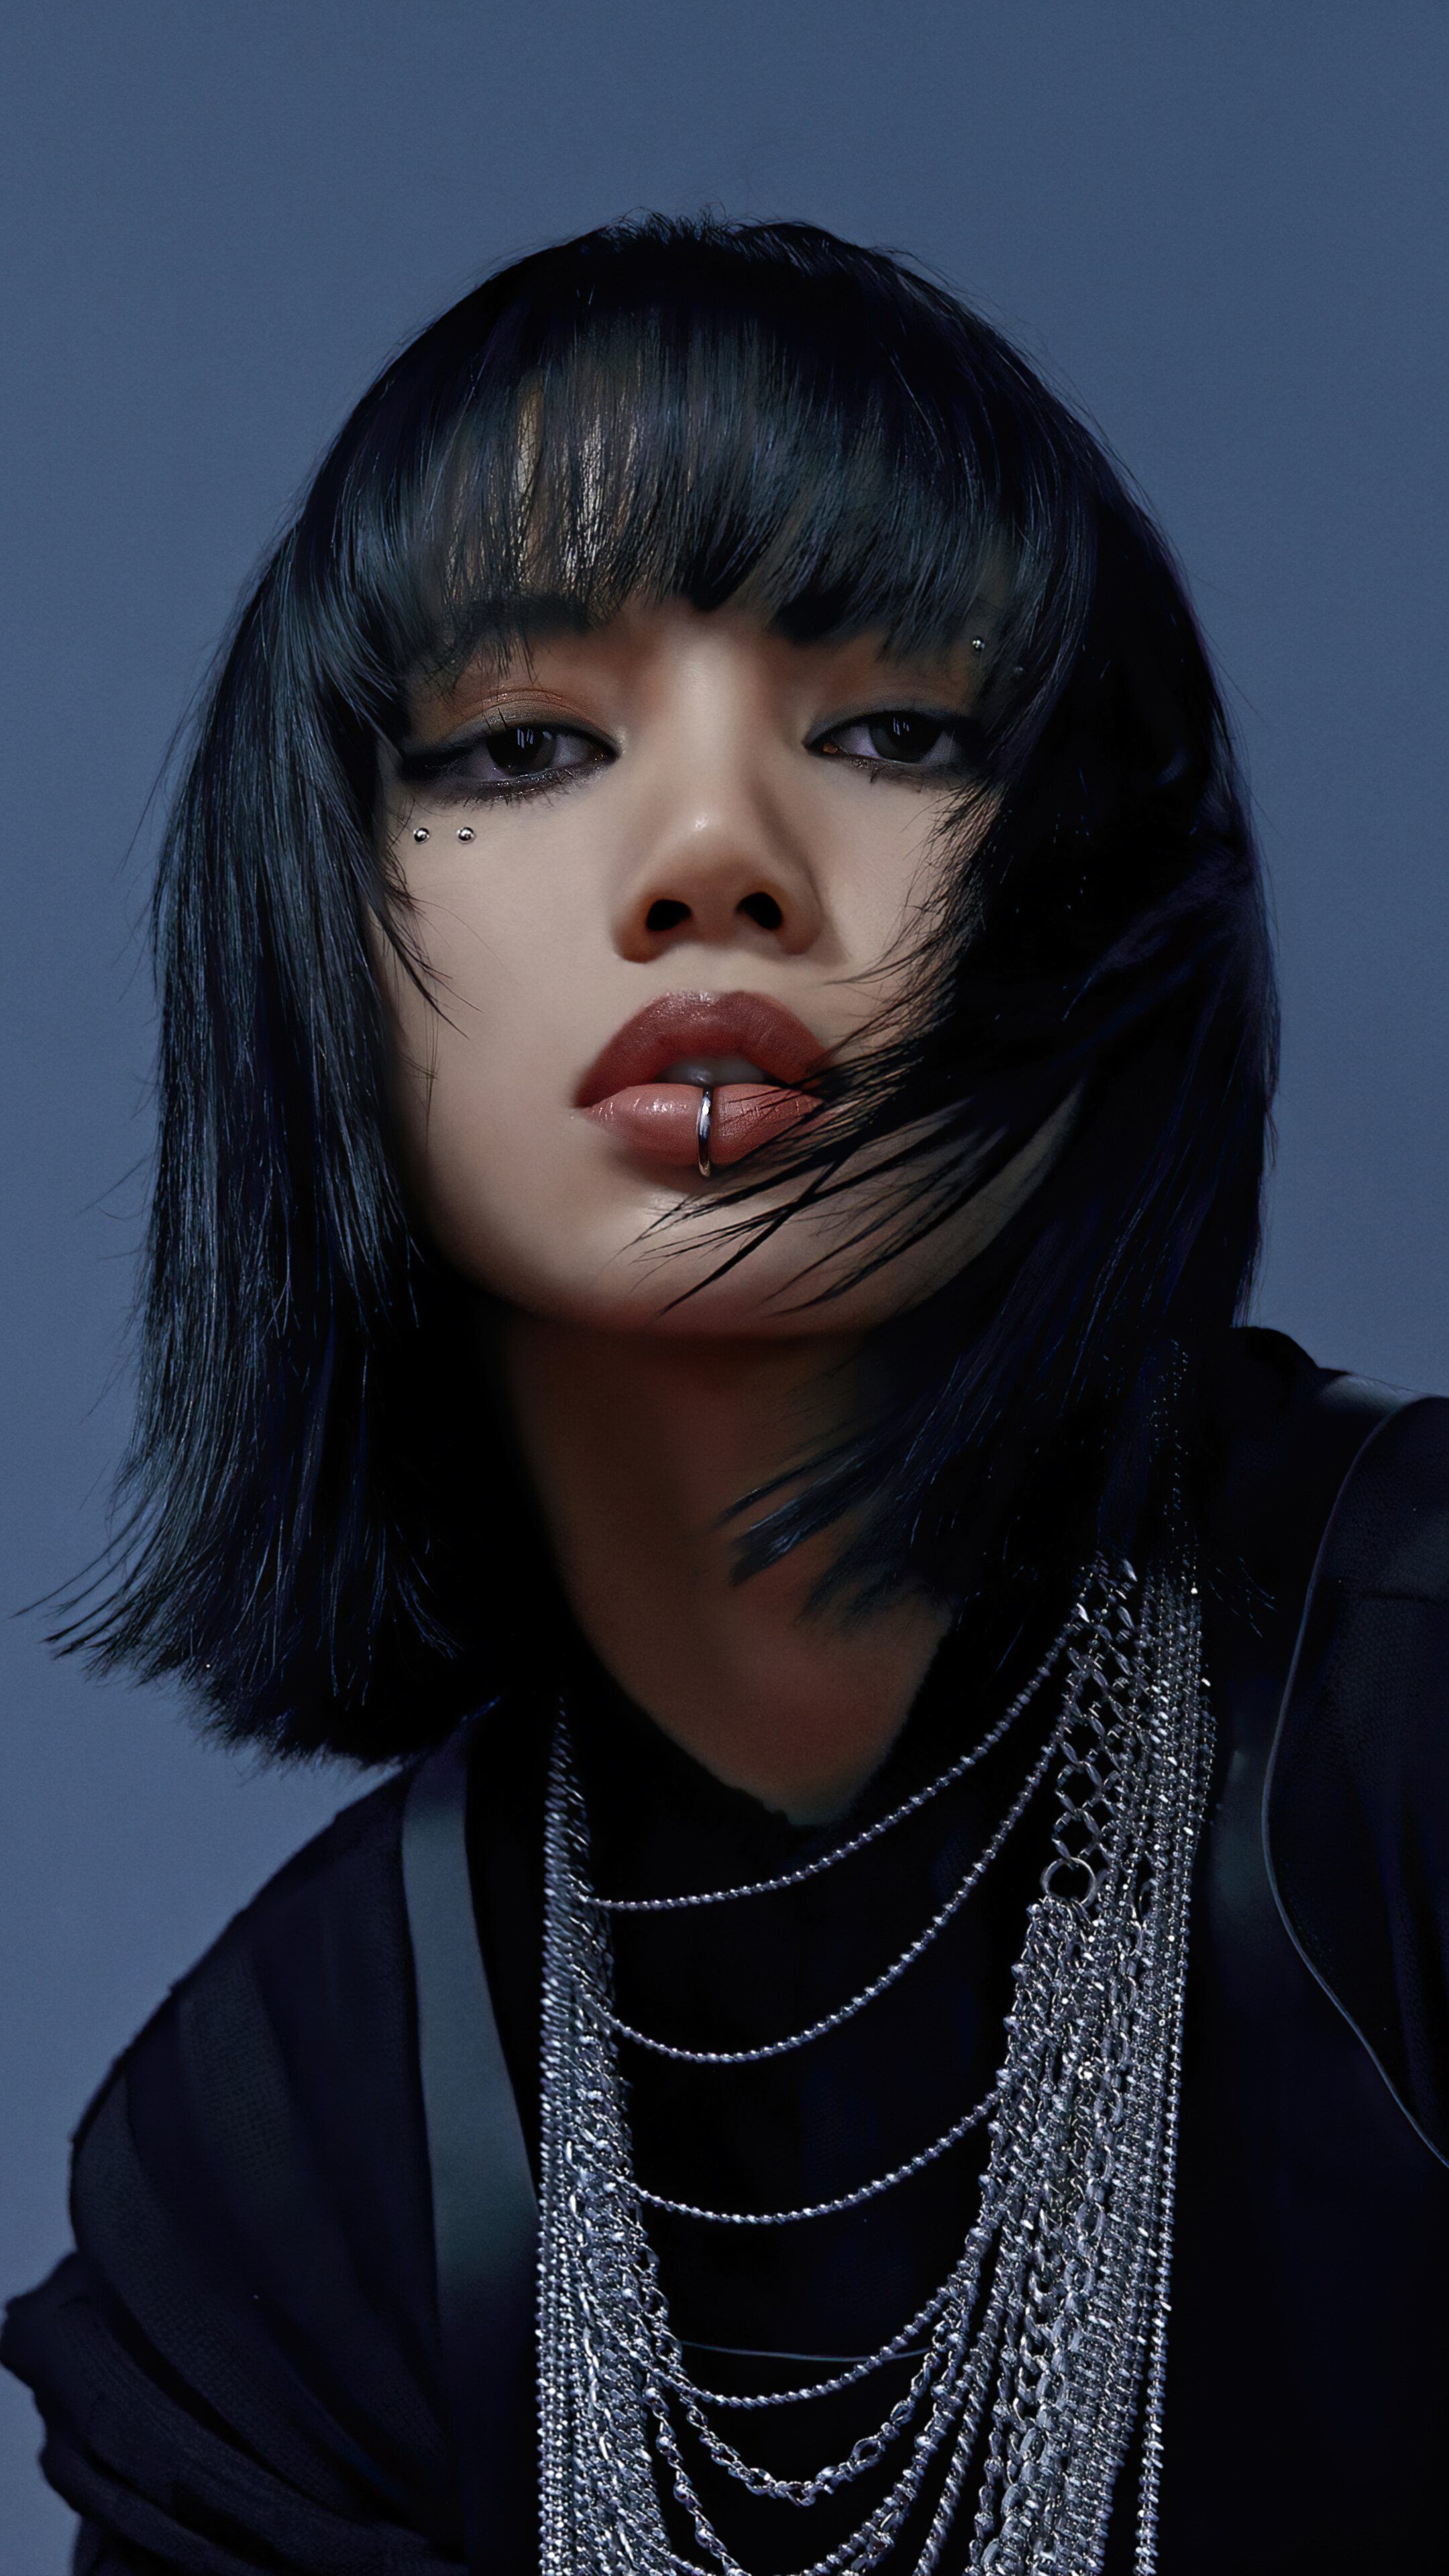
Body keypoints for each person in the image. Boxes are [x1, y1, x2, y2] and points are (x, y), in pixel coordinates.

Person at [4, 213, 1447, 2576]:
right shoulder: (289, 2151)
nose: (712, 861)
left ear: (1104, 886)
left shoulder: (1409, 1732)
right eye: (526, 746)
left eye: (891, 734)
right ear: (315, 929)